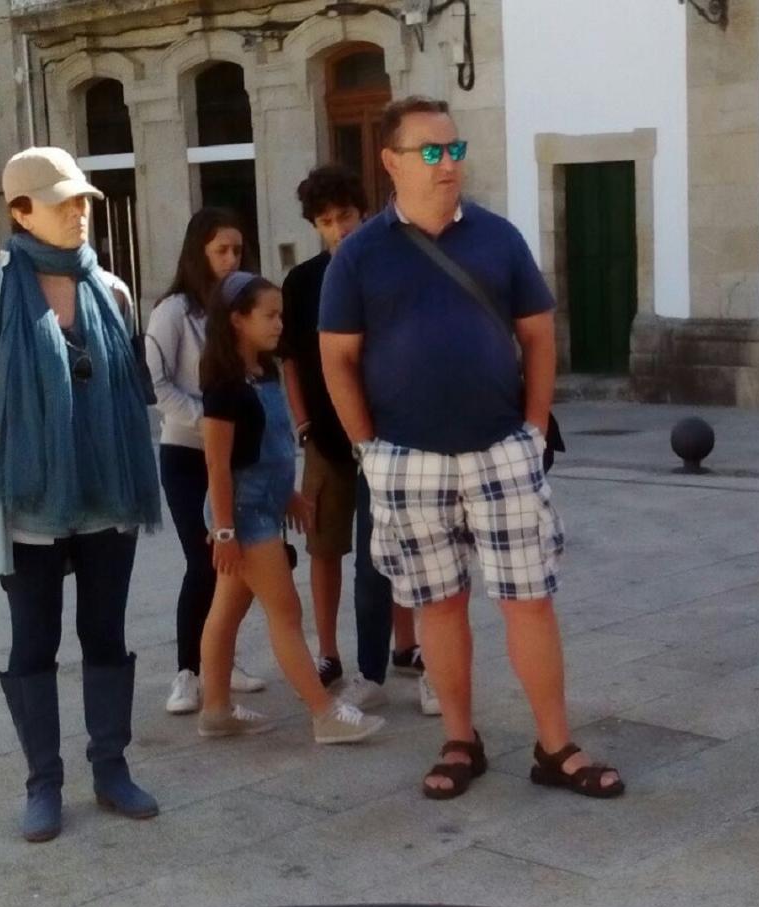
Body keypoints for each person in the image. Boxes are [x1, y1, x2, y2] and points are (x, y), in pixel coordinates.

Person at [320, 96, 623, 800]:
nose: (447, 163)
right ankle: (460, 740)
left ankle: (556, 747)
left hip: (500, 449)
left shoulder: (498, 238)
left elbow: (540, 334)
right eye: (430, 151)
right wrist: (369, 449)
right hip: (406, 457)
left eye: (454, 149)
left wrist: (534, 426)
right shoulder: (359, 255)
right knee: (439, 606)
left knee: (529, 601)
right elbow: (336, 357)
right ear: (391, 161)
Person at [0, 146, 163, 842]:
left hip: (106, 491)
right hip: (27, 499)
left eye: (83, 201)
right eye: (62, 203)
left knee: (106, 633)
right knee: (33, 640)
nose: (78, 214)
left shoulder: (111, 290)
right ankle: (43, 783)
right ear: (20, 211)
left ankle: (111, 768)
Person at [194, 271, 385, 744]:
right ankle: (323, 713)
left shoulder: (264, 372)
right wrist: (224, 531)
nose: (280, 323)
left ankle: (215, 710)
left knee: (226, 610)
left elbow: (274, 448)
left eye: (281, 314)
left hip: (262, 509)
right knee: (286, 610)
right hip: (242, 516)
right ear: (237, 320)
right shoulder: (223, 387)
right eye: (270, 315)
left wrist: (290, 497)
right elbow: (218, 465)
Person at [279, 165, 421, 713]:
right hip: (325, 437)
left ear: (363, 213)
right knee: (324, 544)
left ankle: (404, 645)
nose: (337, 229)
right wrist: (303, 424)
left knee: (394, 547)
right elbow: (291, 359)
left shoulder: (390, 269)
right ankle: (330, 652)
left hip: (385, 433)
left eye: (344, 217)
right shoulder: (303, 282)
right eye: (325, 221)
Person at [146, 208, 267, 715]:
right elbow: (154, 381)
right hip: (186, 453)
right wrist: (205, 417)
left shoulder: (240, 310)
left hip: (236, 456)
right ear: (200, 252)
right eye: (221, 249)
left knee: (235, 566)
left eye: (237, 249)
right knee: (204, 559)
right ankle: (187, 672)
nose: (230, 258)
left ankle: (221, 659)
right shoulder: (173, 312)